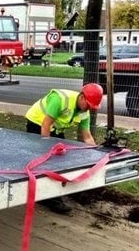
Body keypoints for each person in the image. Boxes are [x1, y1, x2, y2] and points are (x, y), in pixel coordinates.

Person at [25, 83, 103, 214]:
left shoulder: (84, 112)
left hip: (55, 127)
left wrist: (97, 156)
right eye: (88, 105)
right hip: (37, 122)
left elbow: (87, 137)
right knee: (44, 159)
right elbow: (45, 125)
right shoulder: (60, 99)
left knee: (59, 159)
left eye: (92, 107)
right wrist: (46, 149)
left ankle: (50, 193)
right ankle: (49, 198)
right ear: (82, 97)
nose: (89, 109)